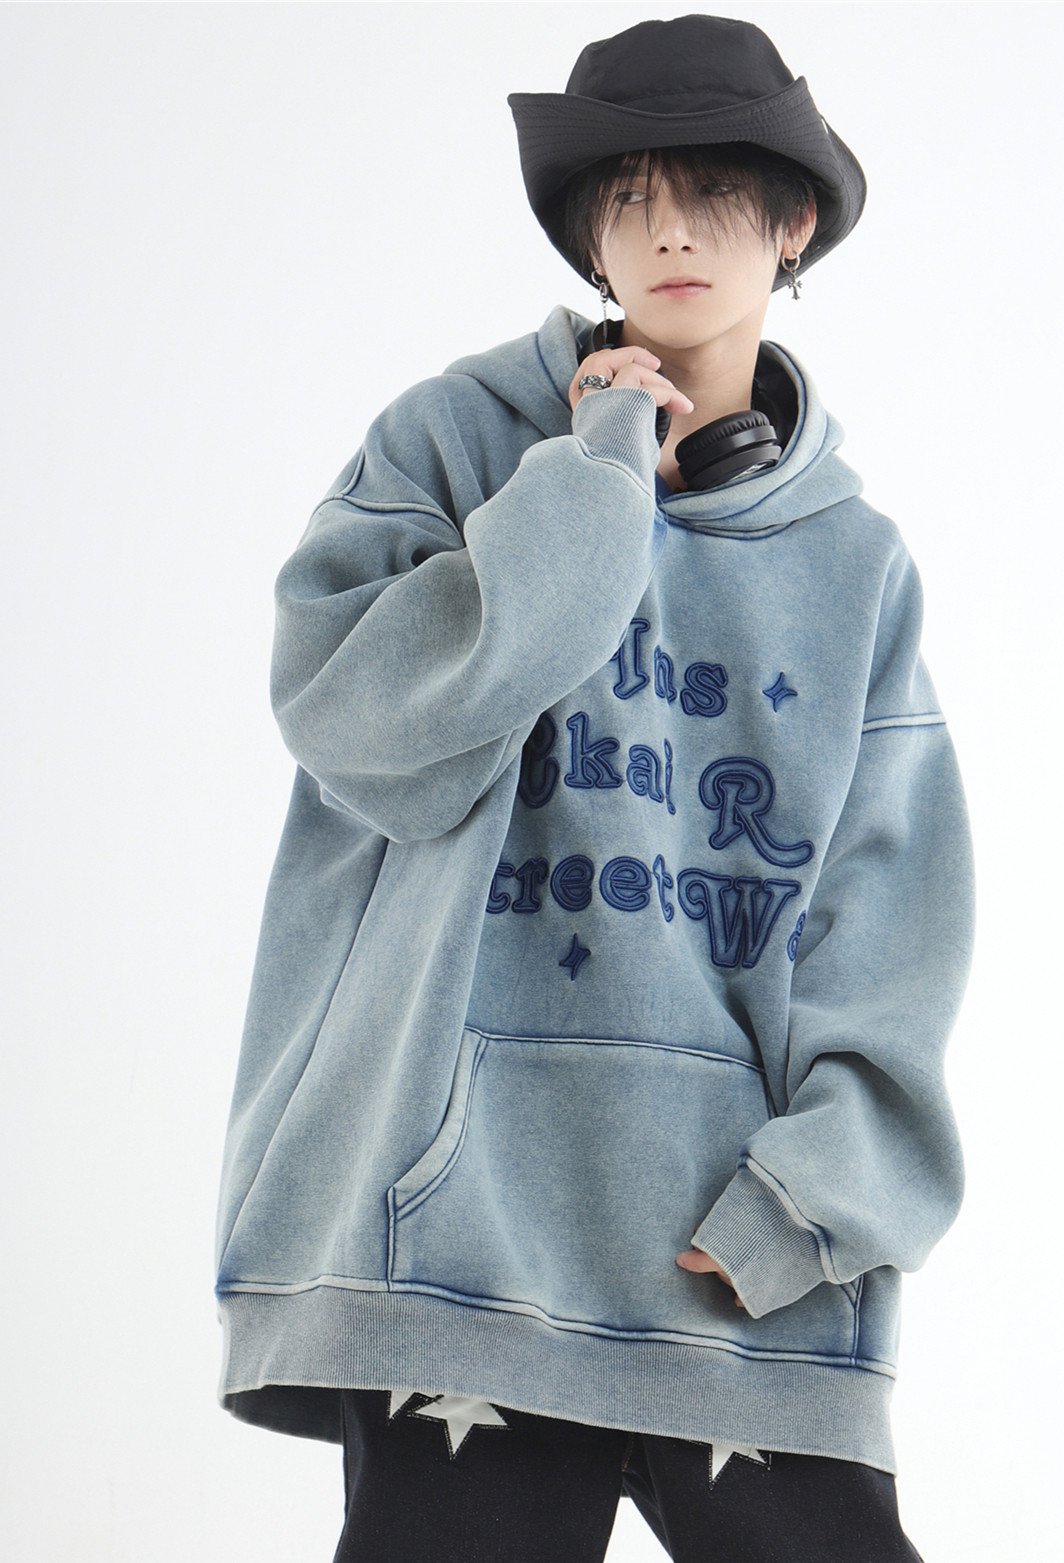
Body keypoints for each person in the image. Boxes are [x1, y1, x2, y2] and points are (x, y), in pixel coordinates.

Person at [213, 14, 974, 1561]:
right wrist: (600, 462)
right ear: (587, 236)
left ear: (794, 221)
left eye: (712, 192)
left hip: (737, 1252)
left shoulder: (855, 564)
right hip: (460, 1239)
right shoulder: (449, 444)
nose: (669, 231)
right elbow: (352, 721)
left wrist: (814, 1199)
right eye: (627, 196)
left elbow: (889, 919)